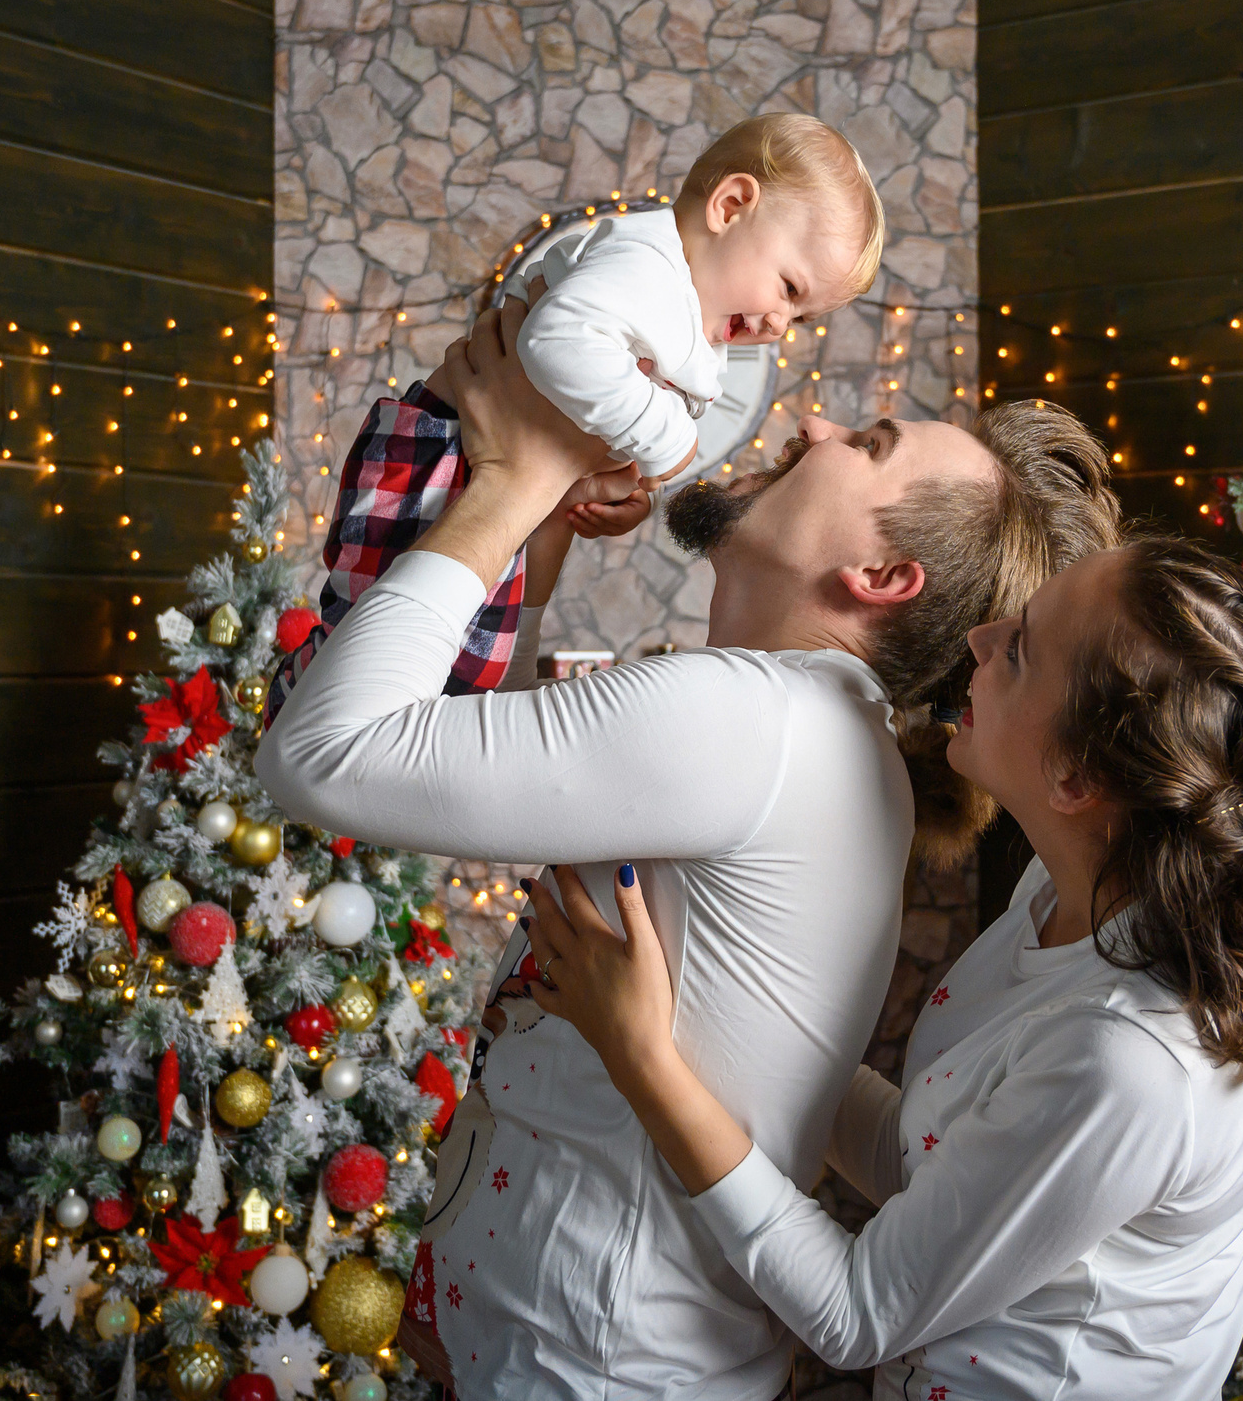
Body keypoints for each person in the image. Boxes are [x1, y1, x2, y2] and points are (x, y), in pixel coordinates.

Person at [254, 286, 1117, 1398]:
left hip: (588, 1366)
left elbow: (320, 756)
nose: (809, 427)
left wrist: (520, 484)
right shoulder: (803, 722)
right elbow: (482, 749)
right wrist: (551, 532)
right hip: (570, 1342)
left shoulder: (749, 719)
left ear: (880, 579)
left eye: (862, 445)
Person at [525, 530, 1243, 1400]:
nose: (980, 641)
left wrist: (642, 1054)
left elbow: (856, 1311)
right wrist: (720, 1007)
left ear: (1073, 779)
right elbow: (928, 1159)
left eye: (1019, 649)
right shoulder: (1066, 892)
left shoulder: (1132, 1062)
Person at [267, 114, 886, 718]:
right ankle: (301, 694)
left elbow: (593, 411)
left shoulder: (688, 312)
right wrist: (667, 441)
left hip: (493, 474)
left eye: (800, 320)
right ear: (729, 206)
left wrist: (619, 482)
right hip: (441, 447)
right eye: (789, 289)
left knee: (468, 671)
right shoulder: (646, 263)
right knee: (376, 632)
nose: (780, 325)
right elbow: (556, 343)